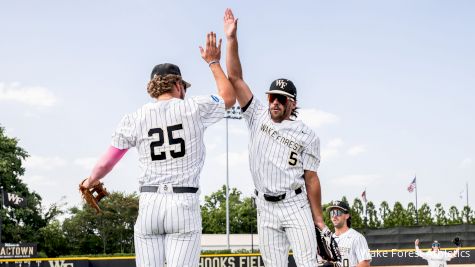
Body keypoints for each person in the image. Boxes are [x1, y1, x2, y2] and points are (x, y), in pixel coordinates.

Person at [79, 32, 235, 267]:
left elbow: (107, 162)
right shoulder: (193, 108)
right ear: (178, 85)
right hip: (183, 202)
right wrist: (213, 61)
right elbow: (229, 97)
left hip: (149, 203)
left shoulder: (135, 117)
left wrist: (91, 180)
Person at [224, 8, 326, 267]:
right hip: (265, 206)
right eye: (272, 97)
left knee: (307, 263)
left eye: (282, 99)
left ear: (293, 103)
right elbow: (235, 78)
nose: (275, 102)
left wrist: (319, 220)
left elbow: (311, 179)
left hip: (295, 204)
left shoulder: (307, 135)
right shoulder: (257, 115)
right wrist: (232, 40)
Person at [328, 200, 371, 267]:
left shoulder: (357, 237)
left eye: (337, 212)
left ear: (347, 216)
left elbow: (365, 263)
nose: (334, 216)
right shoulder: (329, 239)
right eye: (332, 213)